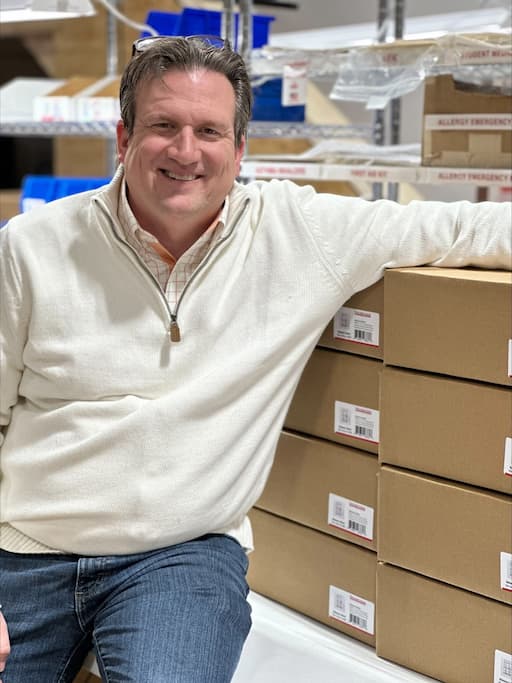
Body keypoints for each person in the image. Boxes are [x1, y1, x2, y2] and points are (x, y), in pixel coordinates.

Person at [0, 35, 510, 683]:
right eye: (163, 126)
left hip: (177, 556)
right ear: (124, 137)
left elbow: (463, 230)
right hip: (24, 552)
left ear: (240, 149)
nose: (186, 151)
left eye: (209, 130)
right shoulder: (33, 246)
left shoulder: (299, 234)